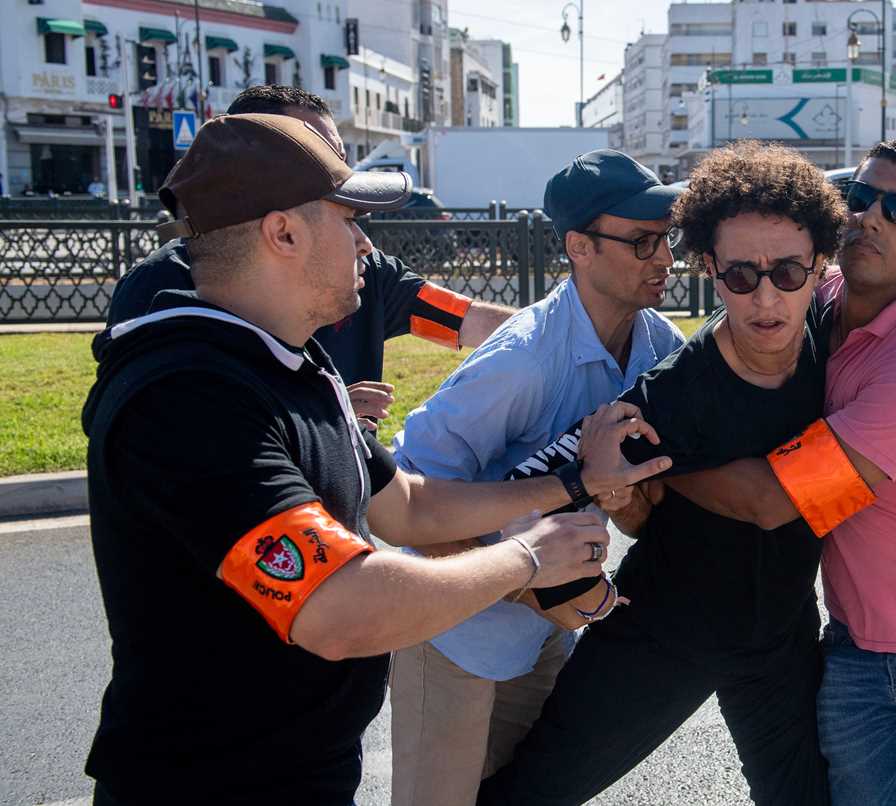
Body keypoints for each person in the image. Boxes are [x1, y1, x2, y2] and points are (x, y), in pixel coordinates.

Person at [82, 113, 671, 805]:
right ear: (283, 234)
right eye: (350, 220)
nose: (367, 243)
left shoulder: (296, 367)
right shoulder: (189, 400)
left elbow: (411, 506)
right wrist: (528, 561)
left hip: (303, 771)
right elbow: (339, 608)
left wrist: (573, 482)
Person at [477, 141, 851, 806]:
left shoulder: (838, 351)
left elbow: (799, 494)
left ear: (820, 264)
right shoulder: (666, 396)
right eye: (742, 275)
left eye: (789, 272)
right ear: (711, 269)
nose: (766, 297)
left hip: (781, 637)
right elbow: (527, 492)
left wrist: (675, 474)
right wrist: (592, 512)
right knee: (534, 793)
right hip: (664, 637)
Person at [664, 140, 896, 806]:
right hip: (857, 648)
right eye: (860, 197)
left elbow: (775, 500)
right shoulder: (820, 295)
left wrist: (657, 465)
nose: (870, 218)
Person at [388, 148, 687, 806]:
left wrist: (618, 504)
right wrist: (526, 583)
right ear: (579, 246)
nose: (665, 258)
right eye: (642, 241)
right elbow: (406, 501)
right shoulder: (523, 360)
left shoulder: (660, 348)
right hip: (452, 638)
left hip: (546, 634)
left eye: (668, 238)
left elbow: (652, 502)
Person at [107, 85, 514, 426]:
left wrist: (550, 331)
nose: (336, 170)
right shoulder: (158, 290)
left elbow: (466, 320)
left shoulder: (365, 269)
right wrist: (319, 413)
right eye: (313, 150)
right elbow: (159, 435)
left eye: (339, 157)